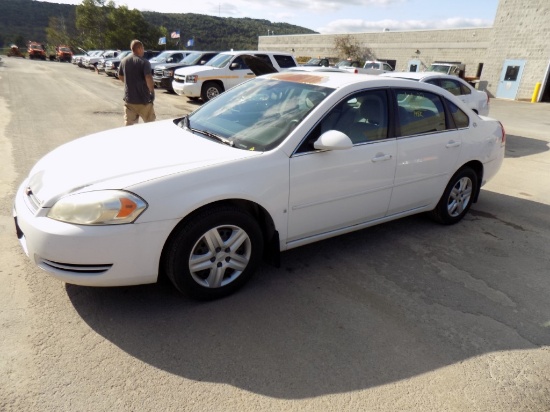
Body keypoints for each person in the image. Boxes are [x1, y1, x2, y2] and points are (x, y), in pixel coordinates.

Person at [118, 40, 156, 126]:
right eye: (143, 48)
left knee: (129, 126)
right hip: (144, 101)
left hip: (130, 101)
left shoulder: (124, 61)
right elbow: (148, 78)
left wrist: (129, 82)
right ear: (139, 48)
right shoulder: (144, 62)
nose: (143, 50)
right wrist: (152, 92)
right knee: (150, 124)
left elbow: (120, 76)